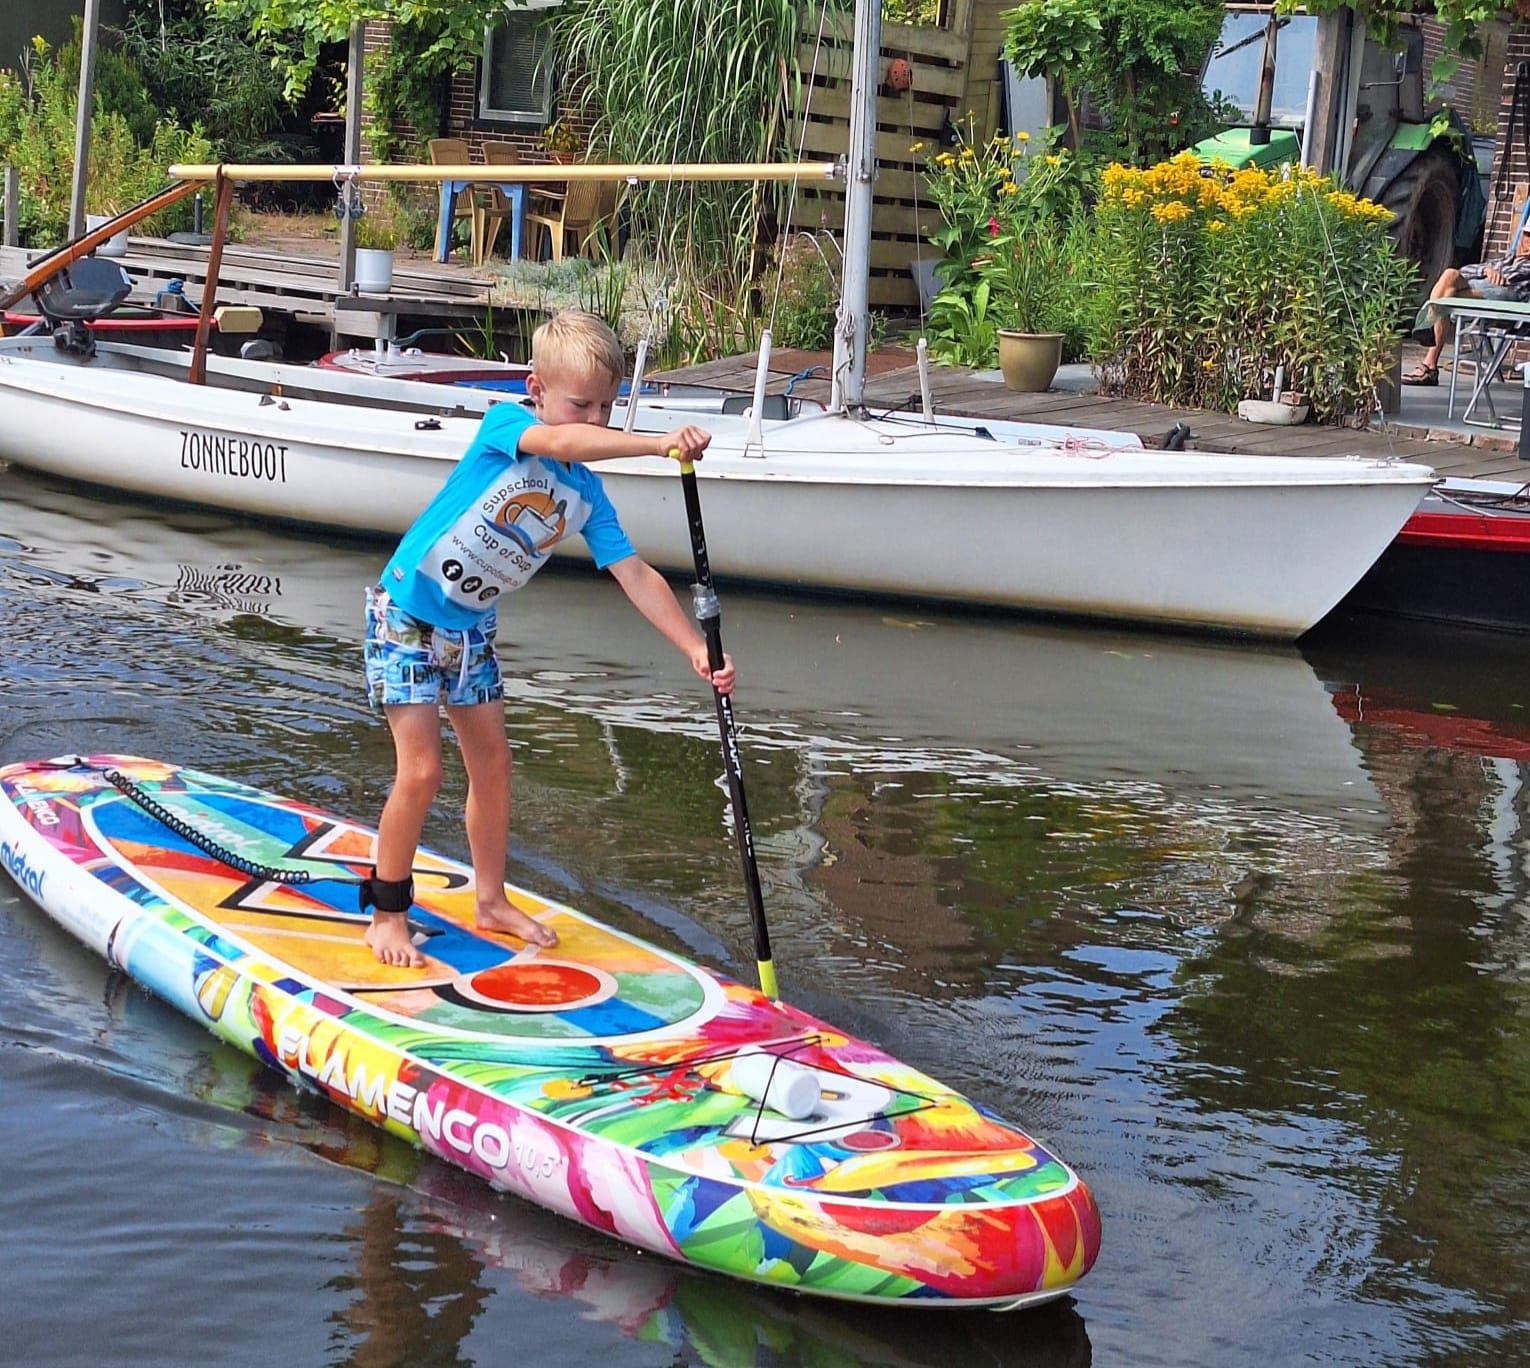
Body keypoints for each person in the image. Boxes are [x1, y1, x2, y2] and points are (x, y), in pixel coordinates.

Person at [361, 309, 735, 967]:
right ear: (537, 389)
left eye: (606, 406)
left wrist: (692, 647)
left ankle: (490, 899)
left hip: (470, 629)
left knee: (495, 766)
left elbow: (636, 574)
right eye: (579, 403)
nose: (592, 419)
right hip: (407, 616)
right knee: (421, 770)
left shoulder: (586, 496)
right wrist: (655, 445)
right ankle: (388, 915)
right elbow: (561, 445)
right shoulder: (508, 426)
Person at [1404, 232, 1530, 385]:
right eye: (1527, 235)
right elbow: (1465, 270)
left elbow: (1507, 282)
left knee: (1446, 295)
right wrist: (1485, 271)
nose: (1528, 243)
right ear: (1521, 235)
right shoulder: (1504, 260)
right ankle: (1430, 357)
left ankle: (1428, 329)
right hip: (1478, 292)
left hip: (1507, 300)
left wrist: (1490, 272)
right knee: (1450, 276)